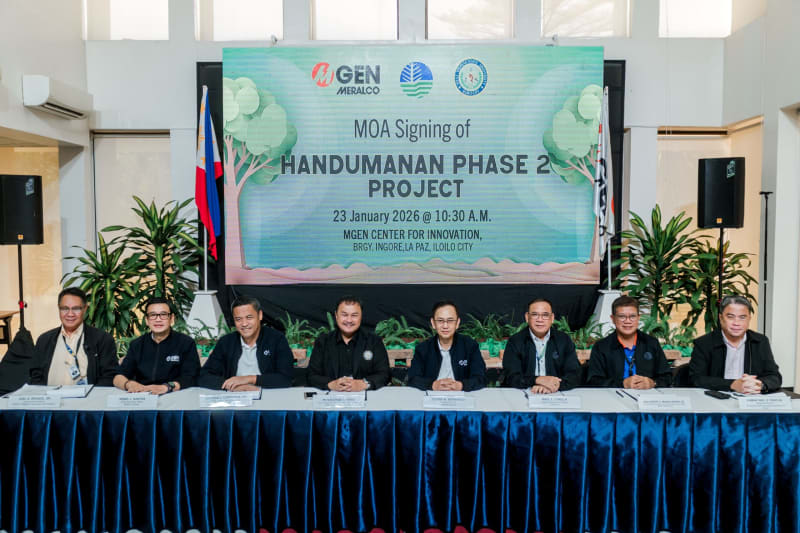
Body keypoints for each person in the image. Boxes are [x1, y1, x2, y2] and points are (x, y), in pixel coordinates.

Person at [689, 294, 781, 394]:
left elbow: (774, 376)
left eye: (742, 317)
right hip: (716, 397)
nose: (736, 323)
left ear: (749, 319)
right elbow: (696, 379)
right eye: (730, 317)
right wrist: (732, 384)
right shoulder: (704, 343)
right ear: (721, 318)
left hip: (751, 398)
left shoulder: (760, 341)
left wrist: (759, 384)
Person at [198, 295, 293, 390]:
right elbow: (204, 376)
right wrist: (231, 385)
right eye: (238, 319)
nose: (244, 324)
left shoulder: (277, 339)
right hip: (234, 397)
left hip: (268, 396)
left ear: (260, 315)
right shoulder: (226, 343)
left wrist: (249, 379)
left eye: (249, 317)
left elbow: (285, 379)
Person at [29, 287, 117, 386]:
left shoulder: (103, 339)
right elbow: (35, 376)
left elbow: (109, 376)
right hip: (52, 399)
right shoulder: (44, 340)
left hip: (87, 399)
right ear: (59, 308)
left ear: (85, 309)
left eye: (76, 309)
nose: (70, 314)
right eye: (65, 308)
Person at [113, 297, 199, 394]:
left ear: (172, 319)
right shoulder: (137, 344)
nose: (158, 319)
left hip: (175, 394)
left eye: (163, 315)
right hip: (143, 395)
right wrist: (129, 384)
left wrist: (167, 387)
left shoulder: (186, 343)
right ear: (147, 320)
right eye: (153, 315)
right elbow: (118, 376)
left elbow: (192, 376)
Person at [586, 295, 672, 389]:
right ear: (613, 319)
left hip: (647, 398)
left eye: (632, 316)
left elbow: (667, 377)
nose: (628, 321)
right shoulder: (601, 347)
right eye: (622, 317)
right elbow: (594, 381)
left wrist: (653, 383)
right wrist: (622, 384)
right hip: (613, 399)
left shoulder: (651, 343)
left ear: (638, 317)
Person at [307, 296, 390, 391]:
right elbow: (311, 375)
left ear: (361, 316)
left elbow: (384, 374)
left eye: (354, 315)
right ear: (336, 315)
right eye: (344, 315)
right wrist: (331, 384)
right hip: (330, 399)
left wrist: (363, 384)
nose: (349, 320)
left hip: (367, 399)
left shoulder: (374, 341)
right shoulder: (323, 342)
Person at [502, 297, 581, 393]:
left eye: (545, 315)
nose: (540, 319)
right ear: (527, 317)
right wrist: (536, 380)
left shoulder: (564, 340)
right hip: (524, 393)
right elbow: (511, 377)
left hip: (557, 394)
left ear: (552, 318)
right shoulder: (515, 341)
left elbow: (574, 374)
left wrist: (553, 385)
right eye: (535, 315)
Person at [407, 300, 486, 391]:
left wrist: (461, 385)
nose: (445, 326)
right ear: (433, 323)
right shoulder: (423, 348)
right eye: (440, 321)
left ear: (457, 323)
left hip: (462, 397)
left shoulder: (470, 346)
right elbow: (412, 379)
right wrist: (432, 385)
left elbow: (481, 378)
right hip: (431, 396)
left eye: (450, 320)